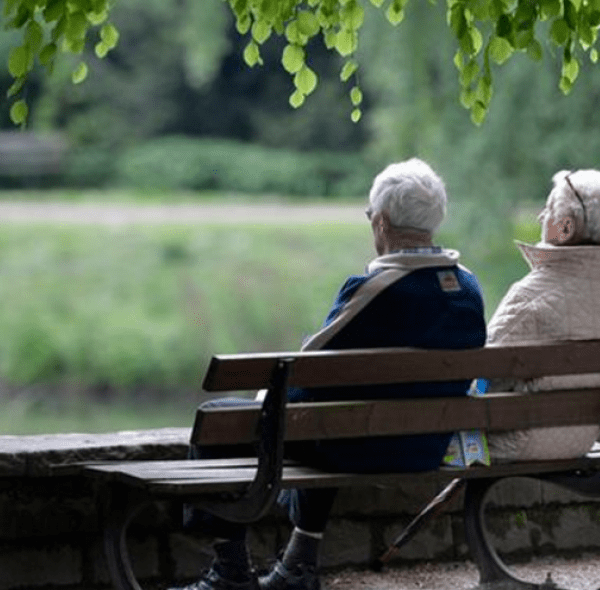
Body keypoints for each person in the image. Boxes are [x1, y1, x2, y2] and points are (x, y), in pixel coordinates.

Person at [171, 158, 486, 590]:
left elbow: (309, 366)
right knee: (333, 414)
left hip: (362, 445)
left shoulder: (374, 289)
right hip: (425, 447)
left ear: (382, 221)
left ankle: (229, 572)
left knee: (223, 419)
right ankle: (298, 564)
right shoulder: (468, 289)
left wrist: (267, 402)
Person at [485, 169, 600, 462]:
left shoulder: (530, 296)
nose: (541, 217)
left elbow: (483, 372)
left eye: (549, 208)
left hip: (518, 440)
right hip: (580, 439)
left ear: (565, 229)